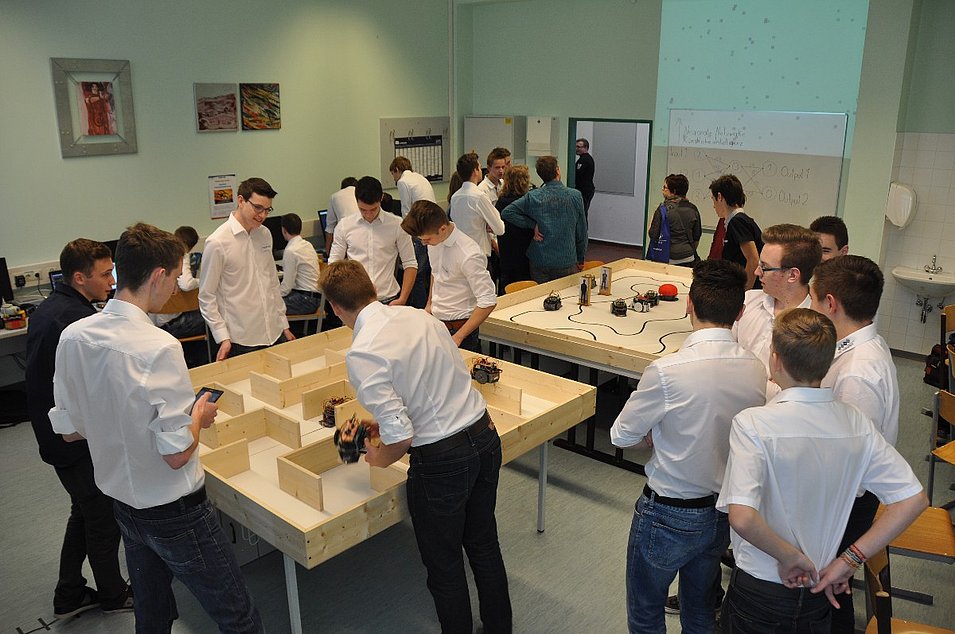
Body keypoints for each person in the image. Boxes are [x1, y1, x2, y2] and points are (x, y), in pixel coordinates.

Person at [50, 223, 263, 633]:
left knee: (151, 613)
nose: (176, 288)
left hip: (123, 506)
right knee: (239, 617)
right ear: (159, 275)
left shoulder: (73, 337)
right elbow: (177, 454)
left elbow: (70, 432)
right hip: (176, 512)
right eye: (176, 276)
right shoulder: (159, 346)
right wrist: (198, 417)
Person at [320, 259, 512, 633]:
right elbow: (434, 386)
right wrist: (386, 425)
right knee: (484, 545)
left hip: (442, 462)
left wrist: (378, 457)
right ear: (373, 289)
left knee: (445, 566)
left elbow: (402, 438)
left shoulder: (363, 352)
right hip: (484, 435)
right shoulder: (421, 317)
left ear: (335, 308)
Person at [717, 308, 926, 633]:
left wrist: (790, 557)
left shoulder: (753, 423)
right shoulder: (856, 422)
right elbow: (913, 500)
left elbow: (742, 518)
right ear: (827, 364)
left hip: (761, 591)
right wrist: (849, 560)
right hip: (819, 586)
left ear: (775, 360)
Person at [611, 260, 766, 634]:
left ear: (689, 305)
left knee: (646, 612)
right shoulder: (756, 367)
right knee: (699, 610)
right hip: (722, 511)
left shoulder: (667, 370)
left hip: (668, 511)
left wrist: (654, 434)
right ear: (740, 313)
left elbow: (621, 436)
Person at [25, 238, 132, 620]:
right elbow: (95, 386)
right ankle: (113, 595)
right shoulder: (75, 321)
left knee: (83, 512)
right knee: (102, 518)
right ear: (79, 277)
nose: (112, 281)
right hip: (73, 439)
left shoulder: (51, 308)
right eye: (104, 275)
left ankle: (68, 592)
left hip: (54, 436)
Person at [809, 255, 898, 633]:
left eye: (813, 299)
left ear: (830, 303)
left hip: (846, 502)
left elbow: (848, 465)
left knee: (829, 594)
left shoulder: (856, 374)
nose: (810, 308)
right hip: (847, 496)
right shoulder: (859, 348)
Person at [199, 176, 294, 361]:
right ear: (241, 201)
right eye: (258, 208)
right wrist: (222, 337)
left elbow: (272, 281)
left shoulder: (265, 234)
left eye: (267, 210)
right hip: (242, 339)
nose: (262, 215)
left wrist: (284, 324)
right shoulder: (218, 242)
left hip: (274, 331)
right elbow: (206, 296)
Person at [733, 224, 821, 396]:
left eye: (764, 267)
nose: (757, 272)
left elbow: (799, 393)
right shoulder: (748, 300)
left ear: (793, 275)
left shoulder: (816, 327)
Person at [401, 200, 497, 352]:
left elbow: (488, 301)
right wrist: (429, 305)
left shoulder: (469, 254)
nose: (424, 244)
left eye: (427, 239)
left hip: (460, 328)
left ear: (443, 229)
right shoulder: (434, 242)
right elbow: (436, 273)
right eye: (421, 240)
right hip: (437, 322)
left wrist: (459, 336)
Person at [328, 175, 417, 305]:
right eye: (363, 210)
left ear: (381, 198)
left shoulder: (397, 225)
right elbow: (334, 264)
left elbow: (410, 263)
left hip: (388, 299)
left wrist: (403, 299)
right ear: (356, 201)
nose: (368, 214)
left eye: (373, 209)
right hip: (355, 301)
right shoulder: (344, 226)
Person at [501, 156, 588, 284]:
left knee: (540, 294)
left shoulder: (533, 196)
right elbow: (581, 231)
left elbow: (507, 212)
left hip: (540, 258)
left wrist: (533, 224)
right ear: (557, 170)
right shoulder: (575, 196)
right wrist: (580, 258)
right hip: (566, 258)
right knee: (565, 294)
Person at [390, 156, 437, 309]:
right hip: (432, 227)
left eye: (393, 174)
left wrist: (405, 234)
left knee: (415, 273)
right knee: (427, 272)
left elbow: (406, 211)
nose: (394, 179)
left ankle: (420, 308)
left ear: (397, 170)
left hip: (419, 230)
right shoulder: (420, 177)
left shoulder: (403, 181)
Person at [449, 152, 506, 266]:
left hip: (460, 253)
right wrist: (487, 224)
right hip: (478, 254)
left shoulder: (455, 197)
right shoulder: (479, 196)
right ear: (475, 171)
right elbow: (500, 229)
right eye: (479, 168)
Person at [152, 225, 205, 339]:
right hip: (170, 325)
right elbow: (187, 284)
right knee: (214, 315)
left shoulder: (157, 254)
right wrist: (203, 281)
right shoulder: (181, 254)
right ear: (190, 247)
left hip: (154, 323)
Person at [709, 175, 762, 289]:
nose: (713, 206)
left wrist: (745, 291)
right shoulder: (737, 220)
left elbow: (753, 260)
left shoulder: (737, 221)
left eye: (713, 199)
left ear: (719, 197)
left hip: (748, 288)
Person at [649, 174, 702, 267]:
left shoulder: (662, 210)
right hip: (689, 257)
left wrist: (652, 218)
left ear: (673, 191)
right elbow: (697, 235)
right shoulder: (693, 208)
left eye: (665, 187)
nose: (662, 189)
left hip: (668, 257)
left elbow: (653, 235)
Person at [496, 165, 534, 291]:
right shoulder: (526, 203)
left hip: (506, 250)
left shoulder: (501, 202)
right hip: (525, 252)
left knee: (506, 285)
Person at [279, 212, 321, 321]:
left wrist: (272, 296)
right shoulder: (307, 245)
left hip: (305, 300)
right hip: (316, 298)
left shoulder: (291, 250)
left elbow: (287, 286)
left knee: (268, 306)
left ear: (284, 230)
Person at [324, 176, 359, 255]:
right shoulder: (361, 194)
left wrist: (327, 253)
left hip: (345, 237)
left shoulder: (335, 197)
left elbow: (330, 228)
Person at [574, 138, 596, 216]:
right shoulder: (582, 159)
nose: (576, 149)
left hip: (584, 190)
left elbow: (578, 174)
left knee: (582, 213)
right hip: (583, 190)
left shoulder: (585, 160)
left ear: (586, 148)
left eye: (579, 147)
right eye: (576, 147)